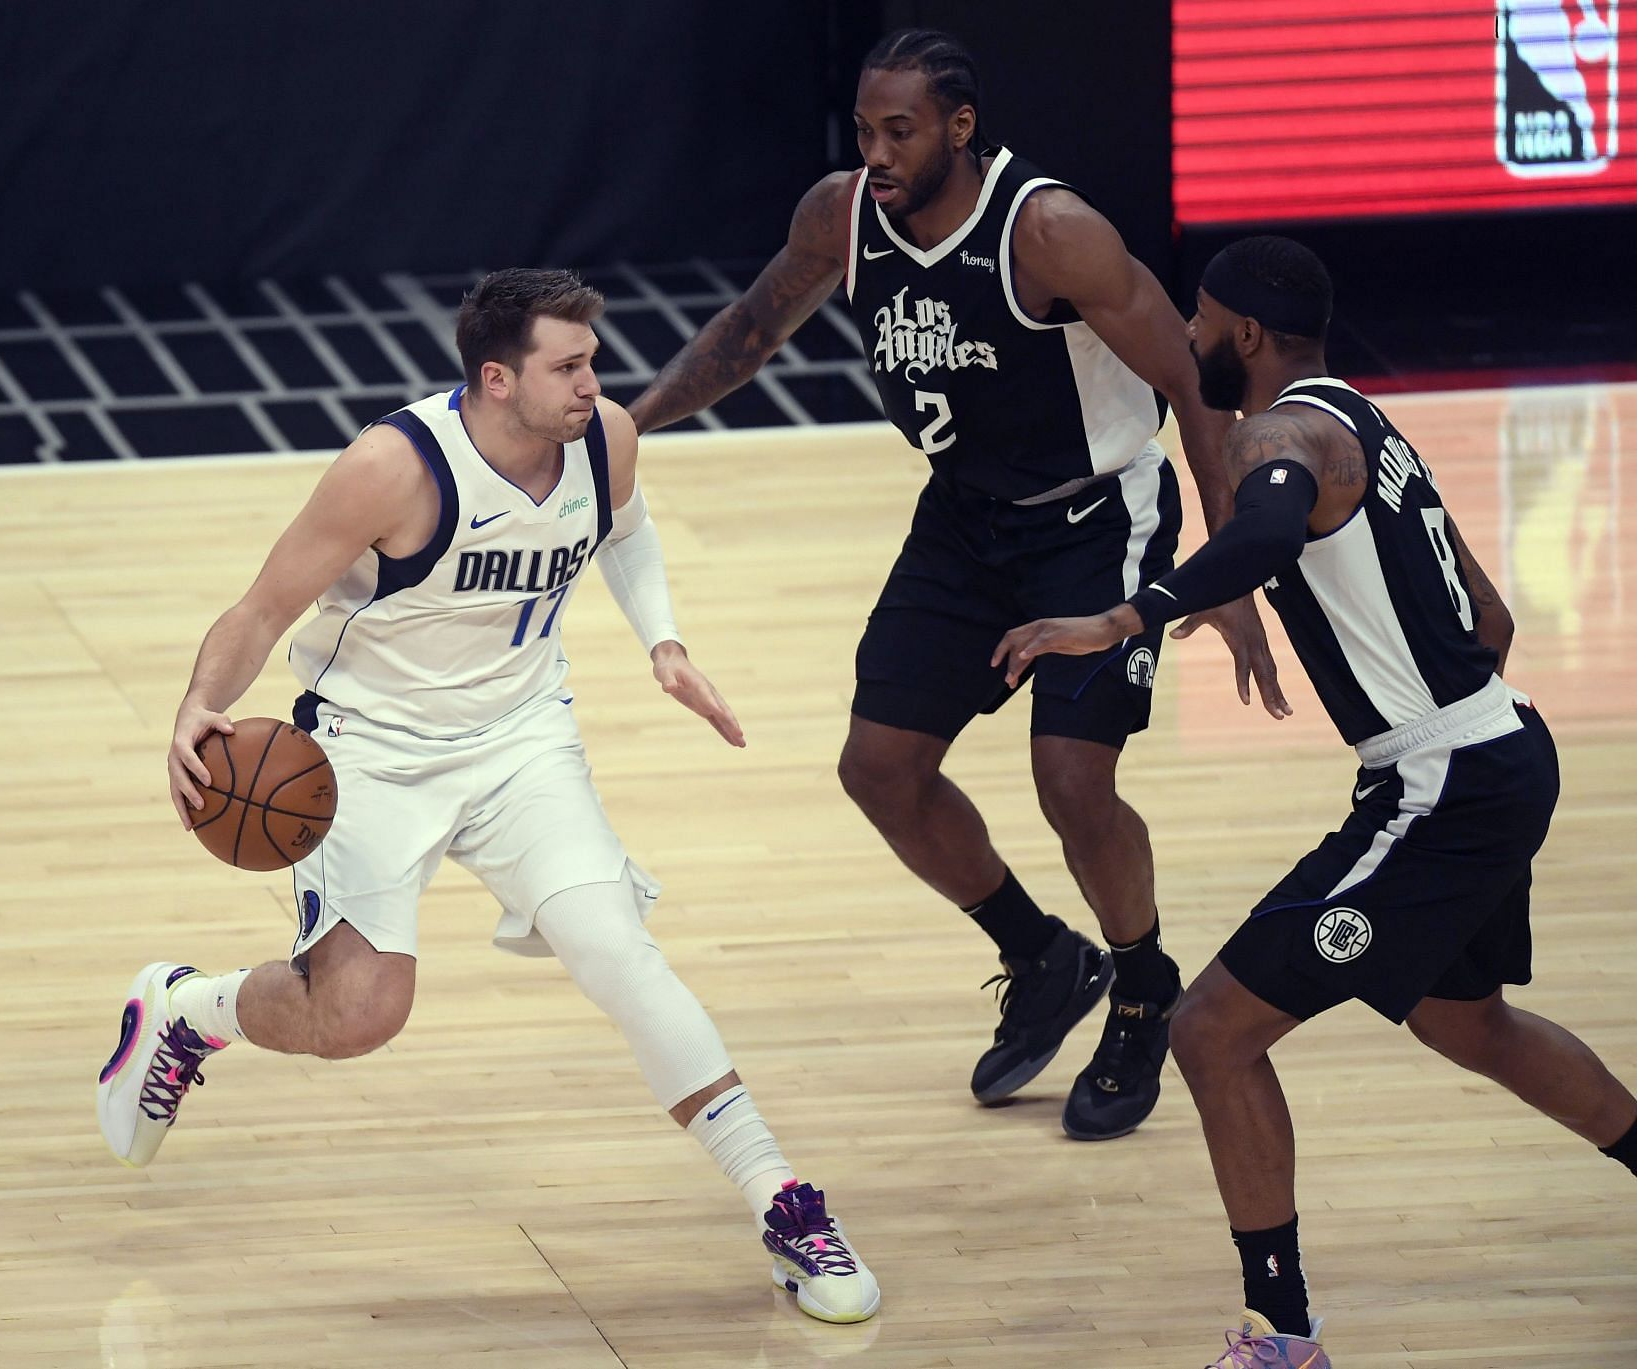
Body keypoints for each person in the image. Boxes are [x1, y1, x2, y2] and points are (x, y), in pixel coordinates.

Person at [95, 268, 880, 1325]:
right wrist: (199, 700)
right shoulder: (391, 468)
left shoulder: (603, 437)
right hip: (369, 753)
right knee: (359, 1016)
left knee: (616, 951)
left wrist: (665, 642)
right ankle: (188, 1009)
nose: (592, 383)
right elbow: (264, 606)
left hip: (521, 743)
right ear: (496, 379)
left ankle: (783, 1201)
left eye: (592, 361)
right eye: (569, 364)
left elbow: (627, 527)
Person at [991, 235, 1637, 1366]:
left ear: (1242, 332)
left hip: (1442, 784)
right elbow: (1490, 620)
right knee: (1465, 1020)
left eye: (1198, 322)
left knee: (1212, 1032)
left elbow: (1270, 523)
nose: (1188, 342)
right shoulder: (1366, 424)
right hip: (1502, 744)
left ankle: (1281, 1335)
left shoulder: (1275, 436)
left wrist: (1123, 616)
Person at [627, 29, 1282, 1140]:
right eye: (866, 132)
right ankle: (1040, 955)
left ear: (959, 130)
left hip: (1095, 517)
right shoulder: (841, 214)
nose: (877, 154)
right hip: (965, 522)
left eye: (901, 132)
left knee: (1072, 779)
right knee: (878, 768)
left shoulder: (1050, 232)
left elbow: (1192, 377)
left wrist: (1227, 570)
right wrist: (627, 428)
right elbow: (748, 333)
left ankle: (1139, 983)